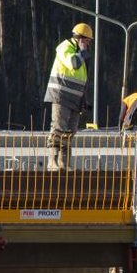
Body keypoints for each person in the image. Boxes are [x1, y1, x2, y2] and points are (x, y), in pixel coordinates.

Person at [44, 23, 93, 170]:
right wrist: (83, 52)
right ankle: (52, 162)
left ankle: (64, 163)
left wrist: (84, 100)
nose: (88, 44)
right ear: (79, 38)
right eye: (87, 41)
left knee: (70, 132)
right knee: (59, 129)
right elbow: (74, 64)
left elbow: (81, 81)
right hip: (61, 96)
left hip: (75, 100)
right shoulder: (65, 48)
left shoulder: (79, 53)